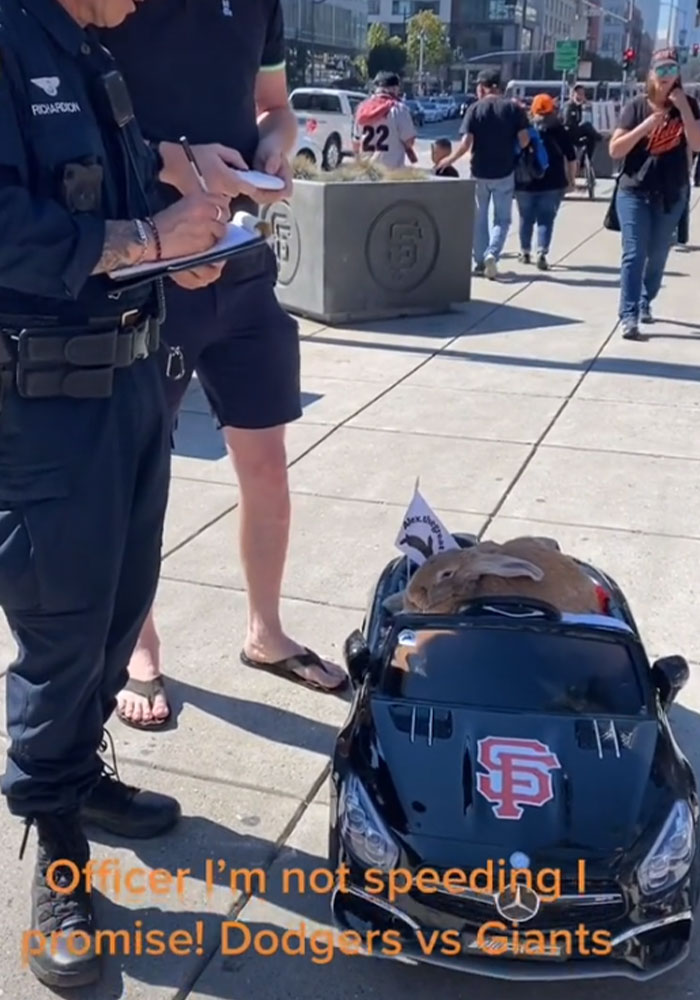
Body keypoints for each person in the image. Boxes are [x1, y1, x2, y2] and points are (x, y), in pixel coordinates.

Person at [0, 0, 238, 986]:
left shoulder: (94, 52)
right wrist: (147, 233)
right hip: (45, 403)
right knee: (63, 626)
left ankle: (79, 773)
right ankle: (55, 846)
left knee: (120, 603)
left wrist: (185, 248)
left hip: (134, 381)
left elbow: (128, 210)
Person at [103, 0, 348, 729]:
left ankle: (264, 632)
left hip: (241, 259)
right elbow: (80, 121)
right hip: (149, 258)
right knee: (140, 472)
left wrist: (275, 148)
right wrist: (181, 161)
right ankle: (139, 649)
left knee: (267, 460)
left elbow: (275, 107)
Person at [609, 49, 700, 340]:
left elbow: (696, 144)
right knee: (634, 254)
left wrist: (683, 108)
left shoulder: (689, 105)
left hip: (672, 193)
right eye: (661, 70)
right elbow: (615, 150)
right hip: (634, 190)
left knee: (658, 254)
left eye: (672, 70)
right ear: (650, 74)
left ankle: (646, 301)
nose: (666, 77)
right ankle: (629, 314)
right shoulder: (636, 107)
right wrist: (647, 124)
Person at [438, 70, 530, 279]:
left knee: (479, 218)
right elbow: (524, 140)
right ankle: (492, 254)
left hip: (479, 171)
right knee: (502, 220)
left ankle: (480, 261)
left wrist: (448, 160)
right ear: (499, 86)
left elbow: (466, 144)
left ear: (483, 87)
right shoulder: (513, 109)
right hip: (504, 172)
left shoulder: (475, 109)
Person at [515, 94, 577, 271]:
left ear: (533, 109)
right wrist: (571, 180)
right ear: (552, 109)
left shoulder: (525, 128)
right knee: (546, 219)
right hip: (553, 183)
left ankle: (524, 251)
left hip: (525, 183)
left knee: (525, 218)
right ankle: (542, 252)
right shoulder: (559, 130)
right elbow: (571, 158)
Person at [353, 72, 417, 168]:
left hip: (367, 169)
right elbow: (409, 141)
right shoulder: (398, 109)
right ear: (395, 89)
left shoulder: (362, 108)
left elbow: (356, 142)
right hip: (391, 170)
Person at [563, 84, 602, 168]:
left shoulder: (578, 107)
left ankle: (584, 163)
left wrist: (586, 104)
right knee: (587, 125)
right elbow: (568, 123)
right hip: (569, 133)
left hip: (575, 133)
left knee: (591, 140)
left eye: (582, 94)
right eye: (578, 93)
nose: (580, 96)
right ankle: (600, 137)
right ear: (573, 94)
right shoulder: (570, 106)